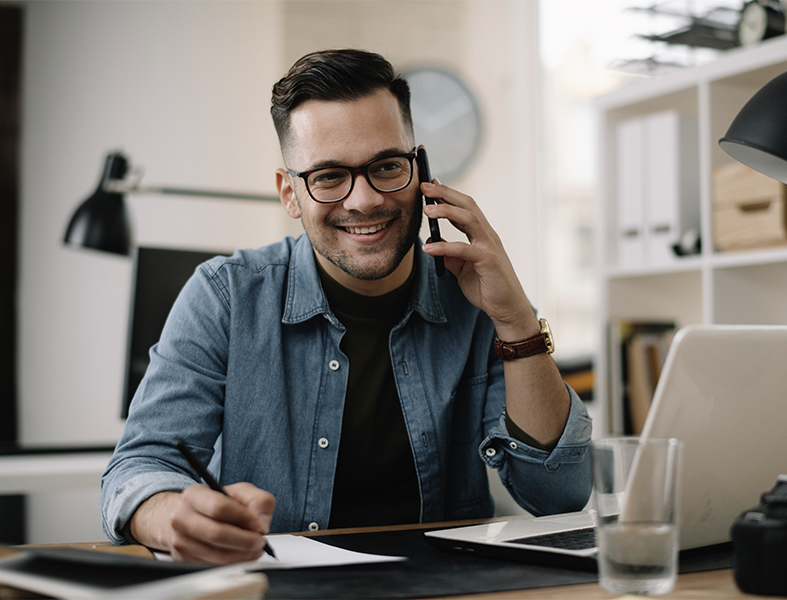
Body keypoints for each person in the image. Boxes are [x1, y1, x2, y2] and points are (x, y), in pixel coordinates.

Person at [101, 49, 593, 565]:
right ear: (289, 194)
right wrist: (175, 517)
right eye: (329, 176)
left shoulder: (479, 299)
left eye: (385, 166)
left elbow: (558, 495)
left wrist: (516, 321)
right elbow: (139, 468)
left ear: (421, 169)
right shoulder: (224, 297)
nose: (363, 200)